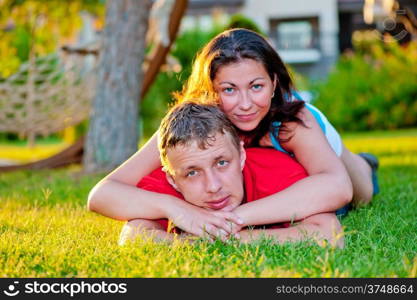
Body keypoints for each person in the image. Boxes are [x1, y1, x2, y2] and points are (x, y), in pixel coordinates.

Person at [87, 28, 378, 237]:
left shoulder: (292, 120)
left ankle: (366, 162)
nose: (245, 104)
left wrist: (232, 219)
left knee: (360, 192)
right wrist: (177, 209)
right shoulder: (192, 125)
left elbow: (337, 187)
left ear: (274, 82)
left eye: (256, 86)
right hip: (262, 170)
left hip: (326, 145)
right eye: (229, 90)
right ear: (211, 91)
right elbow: (103, 194)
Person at [118, 101, 343, 248]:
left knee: (358, 175)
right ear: (172, 180)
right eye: (193, 173)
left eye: (222, 163)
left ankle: (364, 163)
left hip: (333, 153)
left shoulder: (277, 169)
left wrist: (221, 238)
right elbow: (132, 237)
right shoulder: (170, 181)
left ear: (242, 156)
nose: (213, 186)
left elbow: (328, 233)